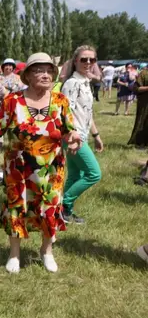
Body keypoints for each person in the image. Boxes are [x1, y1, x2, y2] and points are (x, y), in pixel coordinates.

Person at [0, 53, 81, 274]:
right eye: (38, 70)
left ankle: (47, 251)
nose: (45, 75)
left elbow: (68, 130)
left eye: (48, 70)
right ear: (27, 75)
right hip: (18, 169)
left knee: (50, 209)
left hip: (51, 169)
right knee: (17, 208)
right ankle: (14, 254)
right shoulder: (12, 101)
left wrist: (72, 139)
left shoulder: (60, 101)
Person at [61, 45, 103, 225]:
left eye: (91, 60)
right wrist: (71, 138)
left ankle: (65, 213)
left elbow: (87, 113)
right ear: (75, 61)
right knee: (94, 173)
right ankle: (62, 204)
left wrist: (96, 136)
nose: (88, 63)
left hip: (82, 136)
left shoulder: (85, 83)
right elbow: (64, 112)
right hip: (73, 138)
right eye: (84, 59)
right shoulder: (72, 83)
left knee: (75, 175)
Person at [128, 63, 148, 149]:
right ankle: (140, 143)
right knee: (142, 121)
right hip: (145, 103)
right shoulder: (144, 73)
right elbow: (136, 89)